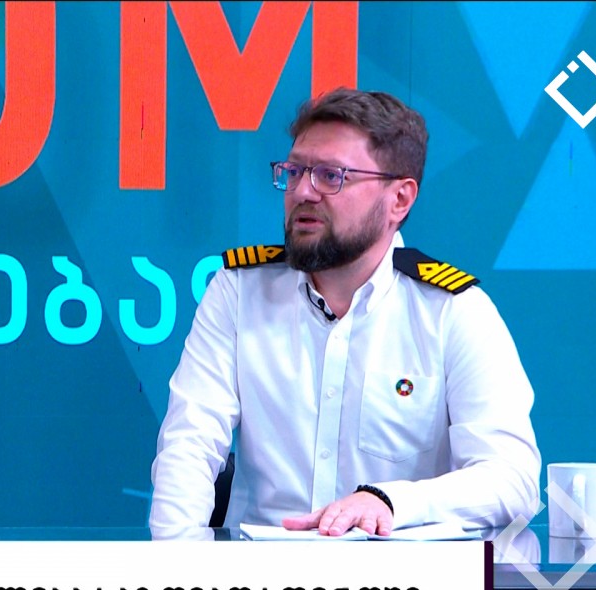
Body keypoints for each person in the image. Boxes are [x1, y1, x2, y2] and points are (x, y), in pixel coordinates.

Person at [150, 88, 540, 537]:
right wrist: (178, 567)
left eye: (331, 176)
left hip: (402, 576)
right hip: (262, 573)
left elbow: (512, 478)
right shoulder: (238, 292)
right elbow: (190, 444)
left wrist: (389, 500)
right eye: (294, 171)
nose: (302, 192)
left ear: (400, 199)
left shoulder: (452, 312)